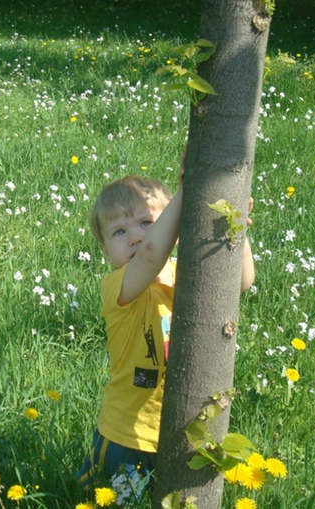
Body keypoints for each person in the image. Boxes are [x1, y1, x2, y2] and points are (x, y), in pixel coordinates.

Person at [76, 155, 256, 497]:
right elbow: (150, 253)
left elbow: (242, 282)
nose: (134, 238)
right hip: (126, 436)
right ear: (103, 250)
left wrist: (237, 223)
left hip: (174, 432)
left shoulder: (182, 273)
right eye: (119, 231)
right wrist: (186, 192)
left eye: (146, 223)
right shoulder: (118, 286)